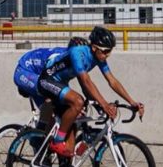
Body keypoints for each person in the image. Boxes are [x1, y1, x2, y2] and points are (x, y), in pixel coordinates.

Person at [13, 26, 144, 159]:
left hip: (49, 77)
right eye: (106, 51)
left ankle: (57, 162)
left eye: (110, 52)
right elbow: (83, 81)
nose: (108, 55)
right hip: (27, 71)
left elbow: (109, 81)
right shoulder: (74, 54)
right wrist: (103, 104)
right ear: (94, 48)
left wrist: (131, 101)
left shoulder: (96, 57)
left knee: (72, 110)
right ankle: (39, 137)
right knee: (52, 104)